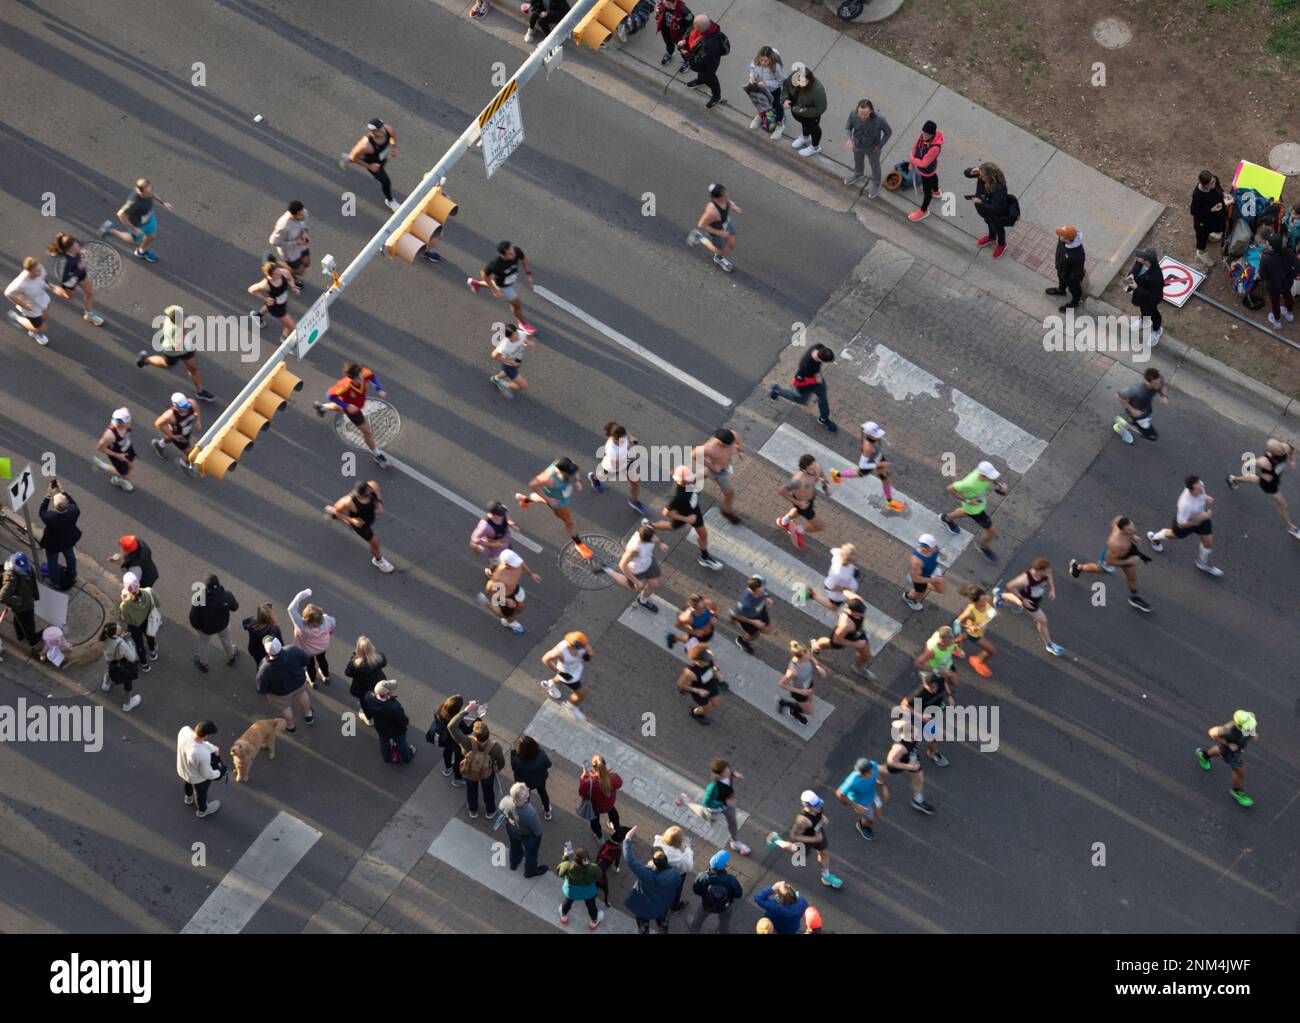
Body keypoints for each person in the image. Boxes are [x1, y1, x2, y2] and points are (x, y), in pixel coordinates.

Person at [1069, 515, 1153, 613]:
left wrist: (1132, 536)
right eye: (1130, 530)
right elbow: (1110, 562)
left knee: (1132, 577)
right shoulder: (1115, 543)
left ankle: (1134, 597)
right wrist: (1129, 561)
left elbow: (1114, 522)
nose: (1134, 529)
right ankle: (1078, 567)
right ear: (1123, 531)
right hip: (1112, 558)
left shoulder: (1120, 520)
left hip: (1127, 552)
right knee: (1099, 570)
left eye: (1133, 526)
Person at [313, 362, 392, 467]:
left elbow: (372, 377)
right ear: (351, 379)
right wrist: (347, 406)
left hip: (356, 404)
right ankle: (377, 455)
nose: (361, 378)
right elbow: (329, 395)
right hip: (353, 411)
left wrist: (379, 389)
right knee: (367, 432)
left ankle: (322, 407)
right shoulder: (344, 386)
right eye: (358, 378)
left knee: (339, 407)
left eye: (360, 375)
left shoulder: (364, 372)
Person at [1147, 475, 1224, 577]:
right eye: (1198, 489)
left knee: (1208, 544)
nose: (1201, 489)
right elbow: (1181, 525)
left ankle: (1202, 563)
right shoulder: (1185, 504)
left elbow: (1202, 492)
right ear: (1190, 491)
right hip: (1188, 523)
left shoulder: (1200, 485)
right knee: (1173, 534)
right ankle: (1154, 538)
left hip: (1202, 518)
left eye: (1201, 486)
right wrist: (1200, 519)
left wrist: (1206, 497)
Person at [651, 464, 724, 569]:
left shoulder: (688, 480)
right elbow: (666, 512)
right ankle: (650, 525)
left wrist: (717, 480)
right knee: (672, 526)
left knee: (703, 534)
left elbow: (705, 472)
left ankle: (705, 557)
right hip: (684, 514)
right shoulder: (676, 496)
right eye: (689, 479)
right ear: (681, 481)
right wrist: (686, 519)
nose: (692, 480)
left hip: (694, 511)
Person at [765, 789, 842, 888]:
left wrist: (822, 817)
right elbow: (795, 836)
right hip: (805, 839)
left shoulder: (818, 806)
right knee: (794, 850)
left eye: (819, 804)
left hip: (817, 833)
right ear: (807, 806)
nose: (819, 807)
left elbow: (819, 812)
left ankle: (826, 876)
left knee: (824, 852)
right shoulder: (802, 820)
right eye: (816, 806)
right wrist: (815, 839)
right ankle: (776, 840)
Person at [136, 304, 215, 401]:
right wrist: (182, 331)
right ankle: (146, 360)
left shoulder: (174, 311)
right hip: (173, 351)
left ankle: (200, 391)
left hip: (187, 348)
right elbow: (177, 347)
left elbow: (176, 312)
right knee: (167, 365)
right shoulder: (171, 330)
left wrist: (188, 319)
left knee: (193, 368)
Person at [1226, 438, 1300, 538]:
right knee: (1283, 505)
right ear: (1272, 452)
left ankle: (1233, 480)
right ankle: (1290, 527)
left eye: (1282, 449)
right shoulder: (1264, 461)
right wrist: (1262, 475)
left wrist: (1293, 460)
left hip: (1275, 478)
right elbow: (1246, 465)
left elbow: (1293, 450)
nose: (1283, 452)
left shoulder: (1284, 447)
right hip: (1269, 483)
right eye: (1279, 451)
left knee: (1254, 479)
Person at [676, 756, 750, 855]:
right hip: (715, 808)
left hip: (728, 805)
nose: (728, 771)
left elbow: (729, 775)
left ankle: (735, 842)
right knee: (703, 813)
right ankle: (686, 800)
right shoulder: (713, 787)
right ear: (719, 774)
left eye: (728, 768)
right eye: (725, 771)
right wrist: (724, 802)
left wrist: (734, 775)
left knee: (732, 821)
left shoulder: (728, 775)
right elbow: (706, 803)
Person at [993, 558, 1067, 656]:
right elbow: (1010, 585)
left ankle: (1000, 595)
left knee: (1018, 602)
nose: (1049, 573)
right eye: (1046, 571)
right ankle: (1049, 645)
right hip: (1030, 601)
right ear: (1038, 571)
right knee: (1043, 621)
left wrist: (1052, 589)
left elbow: (1049, 576)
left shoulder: (1045, 573)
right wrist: (1024, 600)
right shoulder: (1025, 579)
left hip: (1035, 598)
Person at [939, 460, 1008, 563]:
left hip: (976, 505)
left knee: (965, 511)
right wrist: (968, 501)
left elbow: (994, 480)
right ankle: (982, 546)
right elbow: (950, 488)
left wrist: (999, 486)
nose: (994, 478)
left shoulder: (983, 473)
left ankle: (946, 518)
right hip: (975, 509)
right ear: (983, 476)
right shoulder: (969, 483)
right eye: (991, 476)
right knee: (992, 531)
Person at [828, 420, 905, 512]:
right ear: (871, 436)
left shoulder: (874, 438)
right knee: (859, 473)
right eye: (877, 435)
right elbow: (862, 465)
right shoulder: (868, 448)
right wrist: (880, 464)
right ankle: (836, 474)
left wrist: (885, 442)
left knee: (885, 478)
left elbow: (879, 438)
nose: (879, 436)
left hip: (878, 458)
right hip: (872, 463)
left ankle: (889, 502)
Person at [517, 456, 588, 554]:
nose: (573, 474)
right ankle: (579, 544)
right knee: (570, 521)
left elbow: (575, 469)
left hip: (562, 493)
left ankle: (525, 499)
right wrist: (548, 499)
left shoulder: (567, 464)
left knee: (543, 499)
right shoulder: (548, 479)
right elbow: (533, 484)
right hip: (559, 502)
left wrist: (577, 481)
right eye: (570, 473)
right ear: (561, 471)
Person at [448, 700, 506, 819]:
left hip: (470, 771)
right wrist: (496, 769)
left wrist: (467, 710)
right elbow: (501, 763)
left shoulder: (466, 742)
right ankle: (490, 811)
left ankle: (473, 810)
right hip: (486, 773)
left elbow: (451, 726)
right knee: (488, 792)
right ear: (488, 734)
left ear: (474, 735)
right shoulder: (495, 747)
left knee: (471, 790)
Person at [467, 240, 537, 335]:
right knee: (516, 304)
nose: (513, 255)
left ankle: (476, 284)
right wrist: (494, 290)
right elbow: (484, 274)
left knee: (494, 283)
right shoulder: (495, 264)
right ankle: (523, 324)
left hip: (510, 280)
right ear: (502, 255)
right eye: (510, 254)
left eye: (512, 251)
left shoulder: (516, 251)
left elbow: (523, 259)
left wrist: (528, 274)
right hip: (504, 286)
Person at [325, 480, 395, 573]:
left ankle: (334, 517)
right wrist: (352, 520)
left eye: (370, 491)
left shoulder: (371, 486)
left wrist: (378, 502)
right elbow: (335, 510)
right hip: (360, 524)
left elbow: (375, 488)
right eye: (367, 495)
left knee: (338, 515)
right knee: (375, 542)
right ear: (359, 495)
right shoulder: (348, 501)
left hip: (369, 517)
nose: (370, 495)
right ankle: (378, 561)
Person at [621, 825, 681, 933]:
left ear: (653, 862)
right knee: (663, 923)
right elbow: (677, 884)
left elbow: (630, 860)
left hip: (644, 909)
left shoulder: (647, 875)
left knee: (643, 928)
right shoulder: (675, 873)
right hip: (662, 906)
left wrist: (627, 839)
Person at [99, 177, 174, 262]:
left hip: (149, 219)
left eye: (151, 188)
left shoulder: (148, 192)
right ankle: (111, 230)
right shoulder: (134, 202)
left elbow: (153, 194)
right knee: (133, 241)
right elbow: (120, 214)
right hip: (138, 225)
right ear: (140, 192)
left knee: (151, 237)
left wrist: (163, 202)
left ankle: (141, 251)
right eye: (149, 192)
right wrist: (134, 229)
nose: (151, 193)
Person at [769, 343, 837, 432]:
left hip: (816, 379)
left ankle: (823, 419)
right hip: (805, 386)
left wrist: (817, 374)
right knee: (800, 400)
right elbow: (796, 382)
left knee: (823, 397)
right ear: (820, 359)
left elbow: (817, 366)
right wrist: (814, 380)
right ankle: (777, 390)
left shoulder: (820, 346)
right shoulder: (805, 365)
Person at [1196, 710, 1259, 808]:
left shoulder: (1250, 718)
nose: (1251, 727)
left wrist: (1253, 733)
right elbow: (1212, 732)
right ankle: (1237, 791)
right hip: (1230, 752)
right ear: (1239, 726)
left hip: (1234, 748)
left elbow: (1251, 726)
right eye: (1249, 727)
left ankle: (1204, 756)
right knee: (1241, 771)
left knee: (1219, 750)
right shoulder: (1228, 730)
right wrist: (1228, 744)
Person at [588, 421, 650, 516]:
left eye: (624, 437)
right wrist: (629, 457)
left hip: (626, 463)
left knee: (635, 482)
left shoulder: (621, 434)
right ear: (614, 439)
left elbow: (625, 432)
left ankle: (635, 501)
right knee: (601, 476)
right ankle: (594, 478)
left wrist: (630, 437)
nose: (623, 440)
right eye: (621, 439)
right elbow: (615, 465)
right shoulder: (611, 449)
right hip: (612, 467)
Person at [604, 522, 669, 612]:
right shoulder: (635, 550)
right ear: (645, 541)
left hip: (648, 563)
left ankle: (642, 600)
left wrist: (661, 543)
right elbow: (622, 565)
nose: (654, 539)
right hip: (637, 570)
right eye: (652, 539)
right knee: (634, 587)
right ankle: (607, 569)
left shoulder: (647, 530)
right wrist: (636, 581)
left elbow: (654, 536)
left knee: (655, 585)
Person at [476, 548, 541, 635]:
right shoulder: (499, 577)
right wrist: (506, 601)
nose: (517, 565)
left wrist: (531, 574)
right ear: (506, 565)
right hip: (505, 595)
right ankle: (507, 621)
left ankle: (509, 620)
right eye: (514, 564)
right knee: (506, 615)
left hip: (514, 589)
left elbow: (522, 564)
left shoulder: (516, 563)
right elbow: (490, 591)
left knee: (521, 607)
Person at [256, 636, 313, 733]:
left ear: (267, 652)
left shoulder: (265, 667)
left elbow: (261, 687)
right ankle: (308, 715)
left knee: (285, 708)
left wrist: (266, 692)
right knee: (303, 695)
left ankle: (291, 726)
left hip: (280, 692)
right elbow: (306, 660)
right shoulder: (292, 649)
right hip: (299, 683)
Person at [46, 233, 104, 326]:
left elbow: (79, 246)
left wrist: (82, 250)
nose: (78, 245)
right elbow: (66, 279)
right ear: (70, 249)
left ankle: (88, 314)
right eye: (76, 245)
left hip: (81, 276)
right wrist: (78, 269)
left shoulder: (75, 250)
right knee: (69, 297)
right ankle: (51, 286)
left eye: (76, 243)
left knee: (89, 294)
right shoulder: (67, 262)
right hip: (70, 282)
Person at [342, 118, 400, 210]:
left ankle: (346, 159)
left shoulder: (388, 129)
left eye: (382, 127)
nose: (382, 130)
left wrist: (394, 147)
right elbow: (354, 157)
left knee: (352, 157)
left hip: (381, 158)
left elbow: (393, 137)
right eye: (379, 129)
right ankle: (390, 201)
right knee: (386, 181)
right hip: (372, 162)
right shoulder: (365, 145)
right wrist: (369, 166)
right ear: (372, 131)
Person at [776, 454, 830, 551]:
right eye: (811, 469)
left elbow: (821, 473)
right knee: (820, 526)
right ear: (804, 470)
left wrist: (825, 483)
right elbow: (781, 491)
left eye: (814, 466)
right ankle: (798, 530)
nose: (814, 471)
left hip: (810, 499)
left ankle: (783, 521)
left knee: (796, 512)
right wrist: (798, 503)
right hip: (802, 504)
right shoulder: (798, 481)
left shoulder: (816, 467)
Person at [189, 574, 240, 673]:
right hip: (223, 625)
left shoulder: (200, 599)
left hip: (205, 628)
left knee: (203, 644)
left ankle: (203, 664)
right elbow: (235, 607)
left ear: (207, 588)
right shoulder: (227, 595)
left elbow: (193, 617)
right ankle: (231, 656)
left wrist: (198, 627)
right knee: (227, 641)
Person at [687, 183, 742, 273]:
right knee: (723, 251)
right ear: (718, 198)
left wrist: (733, 206)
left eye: (726, 192)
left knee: (732, 244)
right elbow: (701, 224)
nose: (727, 195)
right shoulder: (712, 211)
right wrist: (719, 233)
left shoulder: (724, 198)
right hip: (717, 231)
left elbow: (728, 200)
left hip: (726, 224)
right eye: (724, 195)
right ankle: (700, 238)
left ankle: (719, 253)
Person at [903, 670, 954, 768]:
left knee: (933, 738)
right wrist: (920, 716)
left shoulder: (941, 680)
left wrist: (949, 696)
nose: (933, 690)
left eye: (934, 687)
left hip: (931, 716)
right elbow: (904, 704)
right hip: (919, 717)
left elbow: (946, 683)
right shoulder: (919, 693)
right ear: (924, 684)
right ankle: (911, 753)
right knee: (914, 739)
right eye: (929, 688)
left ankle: (932, 753)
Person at [884, 718, 935, 815]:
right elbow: (891, 761)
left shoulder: (912, 728)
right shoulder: (900, 748)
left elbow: (896, 722)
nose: (917, 733)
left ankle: (917, 801)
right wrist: (909, 767)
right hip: (902, 762)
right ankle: (876, 771)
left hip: (911, 756)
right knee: (885, 770)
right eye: (913, 732)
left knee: (919, 779)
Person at [693, 427, 744, 523]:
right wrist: (711, 466)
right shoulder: (709, 448)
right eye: (728, 445)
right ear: (720, 442)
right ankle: (727, 511)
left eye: (732, 443)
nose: (731, 446)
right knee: (730, 493)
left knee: (707, 473)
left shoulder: (733, 435)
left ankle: (690, 479)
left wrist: (740, 450)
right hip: (718, 471)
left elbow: (738, 441)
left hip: (725, 466)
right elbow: (694, 455)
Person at [817, 597, 876, 678]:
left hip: (857, 633)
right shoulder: (845, 624)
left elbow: (847, 592)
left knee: (866, 656)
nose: (862, 615)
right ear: (852, 612)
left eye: (863, 612)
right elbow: (836, 640)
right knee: (829, 643)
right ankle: (816, 646)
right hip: (844, 637)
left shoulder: (857, 605)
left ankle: (858, 669)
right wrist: (855, 644)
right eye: (859, 614)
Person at [37, 480, 81, 591]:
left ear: (55, 507)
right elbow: (73, 503)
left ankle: (56, 582)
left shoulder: (50, 518)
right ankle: (72, 574)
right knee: (70, 556)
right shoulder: (74, 511)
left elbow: (42, 511)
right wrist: (61, 491)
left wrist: (48, 494)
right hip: (68, 540)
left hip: (53, 544)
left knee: (52, 561)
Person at [540, 631, 594, 719]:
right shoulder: (560, 652)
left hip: (576, 668)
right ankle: (571, 707)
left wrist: (589, 654)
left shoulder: (581, 643)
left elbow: (589, 649)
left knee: (559, 679)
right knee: (581, 694)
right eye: (584, 646)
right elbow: (545, 659)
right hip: (568, 674)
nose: (586, 646)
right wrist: (560, 672)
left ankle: (550, 684)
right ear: (574, 646)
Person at [289, 588, 336, 688]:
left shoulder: (301, 626)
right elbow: (333, 624)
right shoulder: (326, 620)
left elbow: (291, 609)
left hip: (307, 651)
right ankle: (326, 676)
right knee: (322, 660)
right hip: (322, 647)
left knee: (310, 665)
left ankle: (313, 681)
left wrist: (304, 593)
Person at [362, 679, 417, 764]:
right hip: (396, 731)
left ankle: (386, 757)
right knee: (401, 744)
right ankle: (407, 757)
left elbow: (366, 699)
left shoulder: (369, 697)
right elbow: (404, 721)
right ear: (387, 694)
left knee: (383, 742)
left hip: (381, 728)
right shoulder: (394, 707)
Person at [843, 99, 892, 195]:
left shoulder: (880, 119)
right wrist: (850, 139)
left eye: (865, 114)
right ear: (857, 110)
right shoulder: (853, 114)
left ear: (871, 111)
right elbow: (848, 128)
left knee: (875, 166)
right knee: (858, 161)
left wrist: (880, 146)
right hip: (857, 145)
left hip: (873, 149)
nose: (862, 117)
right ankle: (858, 174)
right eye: (860, 113)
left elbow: (888, 132)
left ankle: (877, 183)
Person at [248, 251, 300, 339]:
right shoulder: (266, 284)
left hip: (280, 301)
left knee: (269, 306)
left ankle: (257, 315)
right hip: (277, 309)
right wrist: (264, 299)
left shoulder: (283, 272)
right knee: (292, 327)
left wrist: (292, 286)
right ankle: (284, 339)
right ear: (269, 276)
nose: (279, 273)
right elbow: (251, 290)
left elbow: (289, 278)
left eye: (278, 270)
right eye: (276, 274)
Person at [176, 721, 224, 818]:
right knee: (200, 793)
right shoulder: (202, 754)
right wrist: (219, 772)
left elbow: (199, 742)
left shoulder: (184, 731)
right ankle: (203, 810)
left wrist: (212, 748)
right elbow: (206, 774)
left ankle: (188, 798)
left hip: (183, 769)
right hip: (197, 779)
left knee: (187, 783)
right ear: (206, 735)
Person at [678, 13, 726, 109]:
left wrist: (687, 55)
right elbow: (689, 30)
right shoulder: (700, 25)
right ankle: (700, 81)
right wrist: (684, 39)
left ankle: (716, 96)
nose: (692, 26)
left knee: (709, 78)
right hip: (696, 55)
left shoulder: (710, 44)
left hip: (708, 64)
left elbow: (701, 60)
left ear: (700, 29)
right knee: (701, 73)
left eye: (694, 26)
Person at [963, 162, 1010, 257]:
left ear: (990, 177)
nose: (980, 176)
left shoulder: (1000, 189)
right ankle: (992, 237)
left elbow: (995, 209)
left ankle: (1002, 244)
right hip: (984, 210)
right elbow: (966, 173)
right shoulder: (983, 177)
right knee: (989, 222)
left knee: (998, 229)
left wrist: (980, 202)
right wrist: (972, 171)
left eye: (982, 175)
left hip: (995, 214)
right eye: (980, 173)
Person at [689, 849, 743, 933]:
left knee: (700, 916)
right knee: (724, 923)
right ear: (724, 866)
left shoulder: (702, 876)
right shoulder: (731, 880)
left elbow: (696, 890)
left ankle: (694, 928)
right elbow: (738, 894)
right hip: (725, 906)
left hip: (707, 904)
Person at [4, 257, 54, 347]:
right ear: (29, 271)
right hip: (32, 309)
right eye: (37, 271)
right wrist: (24, 305)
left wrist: (51, 286)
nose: (40, 272)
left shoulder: (40, 268)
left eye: (39, 269)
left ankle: (34, 328)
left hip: (43, 301)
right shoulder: (20, 283)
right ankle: (21, 321)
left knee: (45, 318)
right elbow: (8, 293)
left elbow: (44, 279)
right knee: (42, 329)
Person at [500, 785, 548, 877]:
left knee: (514, 847)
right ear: (523, 799)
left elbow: (502, 812)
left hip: (512, 830)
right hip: (528, 836)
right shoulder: (530, 813)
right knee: (531, 854)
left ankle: (514, 863)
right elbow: (538, 831)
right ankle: (530, 871)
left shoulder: (505, 801)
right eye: (526, 790)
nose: (528, 789)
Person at [1113, 366, 1168, 445]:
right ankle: (1119, 429)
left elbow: (1162, 387)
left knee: (1145, 429)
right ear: (1148, 382)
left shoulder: (1158, 379)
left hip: (1145, 411)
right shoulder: (1137, 391)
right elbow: (1118, 395)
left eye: (1159, 382)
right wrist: (1132, 410)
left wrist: (1164, 396)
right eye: (1156, 383)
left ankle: (1131, 423)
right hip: (1135, 414)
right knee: (1127, 423)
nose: (1159, 385)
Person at [781, 63, 826, 158]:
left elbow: (821, 108)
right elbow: (785, 87)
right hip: (798, 111)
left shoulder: (817, 90)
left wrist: (804, 110)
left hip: (811, 115)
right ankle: (805, 137)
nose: (799, 83)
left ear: (809, 80)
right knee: (804, 124)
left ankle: (815, 147)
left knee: (814, 129)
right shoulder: (794, 78)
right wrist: (785, 99)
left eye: (803, 81)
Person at [836, 757, 887, 841]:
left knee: (878, 814)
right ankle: (861, 826)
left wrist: (883, 785)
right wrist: (856, 806)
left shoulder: (872, 765)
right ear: (861, 773)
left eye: (871, 770)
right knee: (871, 820)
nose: (872, 773)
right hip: (862, 803)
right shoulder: (852, 781)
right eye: (869, 772)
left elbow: (877, 774)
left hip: (872, 795)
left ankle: (866, 822)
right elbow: (839, 793)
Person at [1123, 248, 1166, 346]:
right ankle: (1144, 321)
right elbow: (1134, 271)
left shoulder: (1156, 277)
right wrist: (1131, 275)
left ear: (1148, 261)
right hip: (1141, 296)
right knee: (1143, 308)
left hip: (1151, 300)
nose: (1139, 258)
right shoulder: (1142, 263)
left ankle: (1157, 331)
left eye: (1142, 257)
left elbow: (1153, 296)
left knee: (1154, 314)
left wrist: (1136, 288)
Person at [1, 553, 41, 656]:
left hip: (27, 602)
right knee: (28, 624)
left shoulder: (28, 568)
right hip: (22, 606)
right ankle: (32, 640)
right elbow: (2, 597)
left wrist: (35, 597)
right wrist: (17, 601)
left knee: (18, 619)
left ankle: (20, 635)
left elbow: (33, 583)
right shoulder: (11, 578)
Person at [151, 392, 200, 476]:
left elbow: (196, 410)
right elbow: (158, 424)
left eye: (186, 406)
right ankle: (184, 463)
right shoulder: (170, 415)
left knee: (171, 439)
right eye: (183, 408)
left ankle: (159, 444)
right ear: (175, 406)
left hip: (187, 431)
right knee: (191, 452)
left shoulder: (191, 403)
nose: (186, 409)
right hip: (179, 436)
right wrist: (172, 436)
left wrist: (198, 421)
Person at [954, 585, 998, 678]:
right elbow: (959, 622)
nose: (985, 600)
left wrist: (995, 611)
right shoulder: (970, 612)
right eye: (981, 600)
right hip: (975, 634)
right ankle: (977, 661)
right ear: (974, 602)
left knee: (966, 636)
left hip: (981, 630)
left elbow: (992, 607)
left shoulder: (987, 598)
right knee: (992, 651)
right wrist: (970, 626)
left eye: (984, 596)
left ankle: (951, 643)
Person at [118, 573, 160, 670]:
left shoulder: (125, 605)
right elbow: (157, 603)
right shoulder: (148, 591)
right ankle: (153, 652)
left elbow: (124, 618)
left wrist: (123, 601)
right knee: (150, 635)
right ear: (138, 582)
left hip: (135, 626)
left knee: (139, 644)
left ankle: (144, 664)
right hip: (147, 619)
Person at [556, 845, 605, 929]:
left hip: (571, 891)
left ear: (575, 859)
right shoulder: (594, 868)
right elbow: (599, 877)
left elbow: (560, 872)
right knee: (591, 905)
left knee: (567, 902)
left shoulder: (568, 865)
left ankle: (564, 916)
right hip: (588, 892)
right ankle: (594, 921)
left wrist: (565, 857)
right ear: (588, 858)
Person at [777, 640, 825, 725]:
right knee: (810, 712)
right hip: (799, 692)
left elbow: (811, 658)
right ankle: (787, 706)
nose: (809, 657)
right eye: (806, 657)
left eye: (808, 654)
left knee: (809, 702)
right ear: (800, 658)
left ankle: (794, 710)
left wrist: (818, 668)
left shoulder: (805, 653)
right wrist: (800, 691)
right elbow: (781, 683)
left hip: (808, 684)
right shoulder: (793, 671)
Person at [905, 120, 944, 222]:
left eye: (927, 135)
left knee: (927, 192)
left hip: (927, 170)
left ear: (933, 134)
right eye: (923, 133)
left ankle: (924, 210)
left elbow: (924, 163)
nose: (924, 136)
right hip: (929, 168)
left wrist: (912, 159)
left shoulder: (935, 148)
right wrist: (911, 161)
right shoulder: (922, 136)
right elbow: (915, 148)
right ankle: (936, 191)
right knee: (934, 176)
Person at [428, 694, 471, 783]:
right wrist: (478, 720)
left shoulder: (439, 710)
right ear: (456, 710)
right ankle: (458, 779)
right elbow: (467, 731)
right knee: (458, 759)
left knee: (447, 751)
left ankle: (448, 768)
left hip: (445, 740)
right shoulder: (455, 722)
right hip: (454, 741)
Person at [579, 754, 623, 840]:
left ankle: (600, 836)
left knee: (594, 821)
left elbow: (581, 792)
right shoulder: (613, 777)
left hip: (596, 807)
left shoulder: (589, 782)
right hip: (609, 803)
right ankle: (617, 829)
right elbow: (619, 783)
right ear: (604, 765)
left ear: (593, 767)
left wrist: (583, 777)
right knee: (613, 813)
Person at [345, 636, 388, 726]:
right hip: (378, 683)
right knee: (378, 698)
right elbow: (384, 663)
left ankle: (369, 718)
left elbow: (348, 673)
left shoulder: (356, 663)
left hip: (363, 688)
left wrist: (353, 658)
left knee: (365, 703)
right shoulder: (379, 657)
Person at [1260, 231, 1298, 330]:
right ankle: (1290, 314)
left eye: (1268, 243)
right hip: (1287, 282)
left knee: (1275, 302)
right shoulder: (1288, 251)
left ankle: (1277, 322)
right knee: (1287, 295)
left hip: (1273, 286)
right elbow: (1297, 267)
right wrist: (1291, 276)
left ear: (1271, 246)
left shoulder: (1265, 258)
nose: (1267, 244)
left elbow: (1262, 275)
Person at [100, 622, 142, 712]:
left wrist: (120, 638)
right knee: (128, 684)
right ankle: (128, 704)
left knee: (109, 672)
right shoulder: (121, 643)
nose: (122, 630)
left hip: (110, 662)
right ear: (115, 633)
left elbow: (112, 644)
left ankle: (106, 685)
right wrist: (128, 641)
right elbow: (132, 658)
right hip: (122, 664)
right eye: (119, 630)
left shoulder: (104, 638)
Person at [268, 200, 311, 287]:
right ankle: (276, 263)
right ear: (293, 215)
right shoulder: (283, 226)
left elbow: (302, 223)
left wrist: (305, 232)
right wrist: (296, 242)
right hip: (290, 252)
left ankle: (288, 271)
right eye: (300, 214)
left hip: (301, 245)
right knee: (301, 271)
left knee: (306, 263)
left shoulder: (302, 213)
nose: (304, 215)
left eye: (303, 212)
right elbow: (273, 241)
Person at [92, 407, 136, 492]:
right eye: (126, 422)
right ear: (120, 423)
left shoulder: (125, 413)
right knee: (127, 476)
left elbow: (125, 408)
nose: (129, 423)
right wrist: (118, 456)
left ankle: (116, 474)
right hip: (116, 452)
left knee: (131, 466)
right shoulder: (109, 435)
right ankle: (103, 466)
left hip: (126, 447)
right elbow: (100, 447)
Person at [1189, 170, 1227, 268]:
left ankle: (1211, 235)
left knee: (1219, 226)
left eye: (1213, 181)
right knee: (1202, 237)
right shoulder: (1197, 194)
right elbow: (1194, 211)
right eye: (1210, 184)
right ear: (1203, 184)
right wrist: (1211, 210)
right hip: (1203, 220)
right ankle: (1201, 253)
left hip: (1217, 214)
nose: (1213, 184)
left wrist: (1223, 194)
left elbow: (1218, 188)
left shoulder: (1214, 179)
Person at [653, 825, 695, 911]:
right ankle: (674, 906)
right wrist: (688, 850)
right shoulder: (681, 857)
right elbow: (689, 867)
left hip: (659, 871)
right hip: (676, 876)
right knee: (676, 891)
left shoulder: (657, 842)